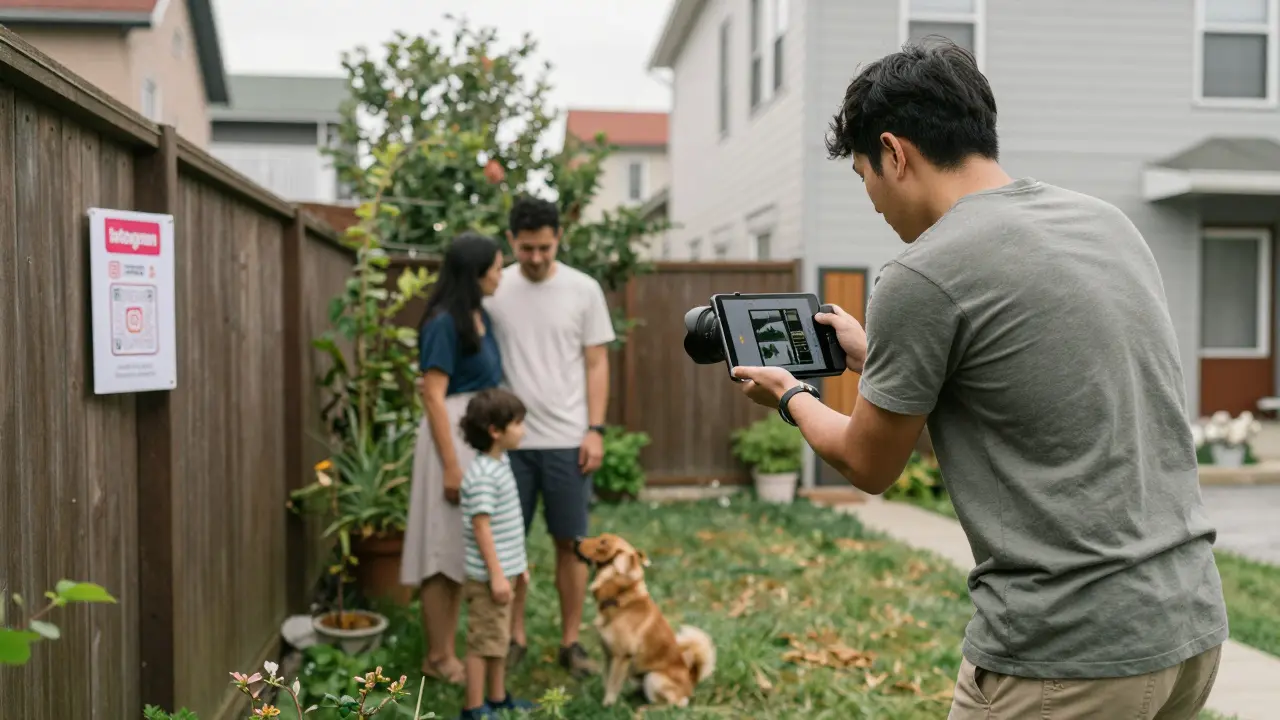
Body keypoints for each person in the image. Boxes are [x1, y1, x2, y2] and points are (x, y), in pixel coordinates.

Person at [732, 40, 1228, 719]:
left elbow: (868, 463)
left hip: (1067, 652)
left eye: (863, 174)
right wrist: (878, 352)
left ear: (895, 153)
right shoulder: (1105, 224)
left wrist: (789, 395)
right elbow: (1030, 378)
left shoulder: (922, 274)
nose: (873, 199)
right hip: (1188, 625)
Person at [484, 194, 615, 677]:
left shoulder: (584, 290)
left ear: (558, 238)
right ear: (511, 242)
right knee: (508, 543)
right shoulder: (493, 289)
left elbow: (597, 363)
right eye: (526, 249)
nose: (536, 258)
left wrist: (594, 431)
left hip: (567, 440)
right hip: (508, 445)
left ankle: (570, 642)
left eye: (544, 247)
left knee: (570, 545)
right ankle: (511, 637)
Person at [400, 231, 506, 685]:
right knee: (441, 549)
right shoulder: (443, 322)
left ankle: (447, 650)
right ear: (475, 273)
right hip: (451, 443)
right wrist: (451, 464)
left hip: (475, 437)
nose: (501, 276)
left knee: (464, 548)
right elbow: (435, 398)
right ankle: (438, 656)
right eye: (497, 268)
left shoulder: (479, 316)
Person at [457, 388, 536, 719]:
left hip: (504, 573)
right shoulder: (482, 476)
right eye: (518, 424)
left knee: (498, 640)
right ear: (495, 431)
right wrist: (498, 576)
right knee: (481, 644)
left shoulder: (499, 462)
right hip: (489, 579)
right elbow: (482, 529)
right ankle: (474, 708)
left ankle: (498, 697)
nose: (524, 430)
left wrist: (517, 567)